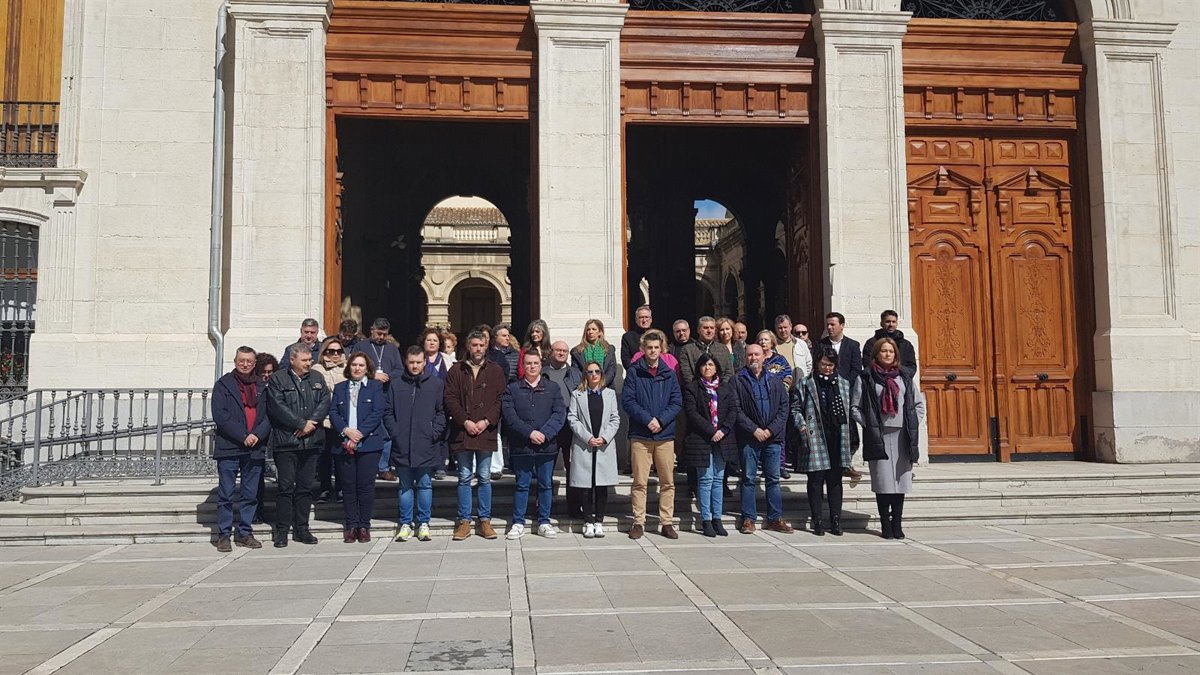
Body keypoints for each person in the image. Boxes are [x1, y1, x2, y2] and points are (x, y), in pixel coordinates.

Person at [854, 338, 922, 540]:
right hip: (879, 436)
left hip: (902, 435)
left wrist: (912, 422)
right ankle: (885, 523)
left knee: (900, 482)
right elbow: (855, 407)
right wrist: (870, 424)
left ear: (896, 355)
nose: (887, 354)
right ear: (876, 354)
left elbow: (918, 405)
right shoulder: (866, 377)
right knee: (883, 482)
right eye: (883, 351)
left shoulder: (904, 376)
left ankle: (897, 524)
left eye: (891, 351)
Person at [266, 343, 331, 547]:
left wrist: (311, 423)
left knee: (305, 488)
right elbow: (277, 406)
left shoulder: (317, 377)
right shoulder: (278, 379)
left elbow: (325, 401)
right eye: (304, 360)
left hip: (311, 442)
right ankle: (282, 531)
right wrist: (300, 424)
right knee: (285, 488)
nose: (308, 363)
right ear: (292, 360)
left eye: (310, 360)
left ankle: (302, 528)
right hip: (287, 442)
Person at [445, 330, 506, 541]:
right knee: (464, 477)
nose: (478, 349)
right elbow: (450, 398)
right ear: (468, 346)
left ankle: (484, 520)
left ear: (486, 346)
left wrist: (486, 421)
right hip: (463, 430)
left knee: (484, 477)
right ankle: (464, 521)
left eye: (481, 345)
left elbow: (501, 400)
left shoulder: (495, 370)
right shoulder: (456, 370)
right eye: (474, 345)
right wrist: (465, 421)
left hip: (485, 430)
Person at [621, 329, 683, 540]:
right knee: (640, 482)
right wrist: (648, 419)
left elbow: (676, 402)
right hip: (641, 435)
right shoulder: (634, 372)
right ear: (643, 349)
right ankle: (638, 522)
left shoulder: (669, 373)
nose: (653, 351)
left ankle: (666, 522)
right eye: (649, 348)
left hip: (665, 436)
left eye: (656, 347)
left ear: (661, 349)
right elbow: (628, 401)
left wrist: (661, 420)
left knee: (667, 482)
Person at [792, 347, 860, 536]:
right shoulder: (806, 383)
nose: (827, 368)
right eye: (823, 364)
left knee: (835, 480)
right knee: (815, 480)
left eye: (830, 365)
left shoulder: (844, 383)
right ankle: (817, 520)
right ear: (816, 364)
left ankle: (836, 519)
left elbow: (850, 410)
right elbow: (795, 408)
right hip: (815, 435)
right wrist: (802, 427)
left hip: (838, 436)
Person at [502, 351, 567, 539]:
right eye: (528, 363)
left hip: (546, 446)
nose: (532, 366)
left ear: (541, 365)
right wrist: (529, 433)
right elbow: (510, 416)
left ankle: (544, 521)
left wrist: (544, 434)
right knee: (522, 485)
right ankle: (518, 522)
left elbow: (559, 413)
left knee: (545, 484)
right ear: (523, 366)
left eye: (535, 363)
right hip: (522, 445)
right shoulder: (512, 389)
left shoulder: (552, 388)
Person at [211, 346, 270, 552]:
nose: (245, 364)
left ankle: (245, 532)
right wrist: (243, 435)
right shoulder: (223, 385)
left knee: (250, 495)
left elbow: (269, 415)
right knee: (226, 495)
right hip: (229, 447)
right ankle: (224, 535)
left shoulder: (262, 386)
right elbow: (220, 416)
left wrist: (257, 435)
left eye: (249, 361)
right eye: (241, 360)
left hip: (254, 448)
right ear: (235, 361)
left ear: (254, 364)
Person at [385, 347, 446, 542]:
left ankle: (424, 522)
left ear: (424, 362)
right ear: (406, 361)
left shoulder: (435, 384)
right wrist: (395, 431)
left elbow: (441, 412)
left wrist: (433, 432)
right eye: (411, 362)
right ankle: (405, 523)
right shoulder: (396, 384)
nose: (415, 366)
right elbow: (388, 411)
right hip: (402, 443)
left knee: (425, 484)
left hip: (426, 443)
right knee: (405, 485)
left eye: (418, 362)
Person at [329, 352, 388, 543]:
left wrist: (359, 433)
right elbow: (333, 412)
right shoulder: (340, 388)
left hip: (368, 444)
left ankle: (364, 526)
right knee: (348, 487)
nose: (357, 368)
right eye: (354, 365)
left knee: (365, 486)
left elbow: (377, 412)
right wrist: (346, 431)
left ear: (367, 368)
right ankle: (351, 525)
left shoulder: (375, 387)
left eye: (361, 365)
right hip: (344, 443)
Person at [734, 343, 792, 534]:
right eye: (750, 355)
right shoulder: (738, 380)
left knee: (773, 479)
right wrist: (754, 430)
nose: (753, 358)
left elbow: (784, 407)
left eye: (756, 354)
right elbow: (736, 409)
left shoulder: (774, 380)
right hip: (749, 438)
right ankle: (748, 518)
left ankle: (775, 518)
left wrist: (770, 430)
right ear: (745, 357)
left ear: (763, 357)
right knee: (748, 478)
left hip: (772, 438)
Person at [682, 353, 739, 537]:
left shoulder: (725, 387)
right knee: (705, 479)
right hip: (702, 439)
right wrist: (711, 431)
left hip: (723, 438)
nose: (708, 368)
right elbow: (692, 413)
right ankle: (705, 519)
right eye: (704, 365)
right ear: (699, 367)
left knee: (718, 479)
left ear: (716, 368)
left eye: (711, 365)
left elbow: (733, 410)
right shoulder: (692, 388)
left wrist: (723, 430)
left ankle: (717, 518)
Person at [567, 360, 621, 538]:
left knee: (601, 486)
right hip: (585, 445)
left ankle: (599, 521)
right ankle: (588, 521)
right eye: (590, 372)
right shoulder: (577, 394)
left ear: (601, 374)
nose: (594, 375)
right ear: (585, 375)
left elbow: (615, 418)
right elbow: (572, 418)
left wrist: (604, 437)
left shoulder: (610, 394)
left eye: (597, 371)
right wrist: (587, 437)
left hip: (604, 445)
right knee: (585, 486)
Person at [816, 312, 864, 479]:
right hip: (825, 393)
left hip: (846, 394)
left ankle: (847, 463)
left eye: (833, 324)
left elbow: (856, 369)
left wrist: (844, 385)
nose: (829, 327)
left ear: (842, 326)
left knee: (848, 430)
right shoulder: (821, 345)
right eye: (828, 324)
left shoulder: (852, 345)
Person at [545, 340, 582, 517]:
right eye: (558, 350)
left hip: (570, 425)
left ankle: (574, 508)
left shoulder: (575, 373)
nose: (561, 353)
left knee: (572, 468)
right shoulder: (542, 373)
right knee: (546, 468)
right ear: (551, 352)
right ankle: (543, 508)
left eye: (564, 351)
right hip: (548, 425)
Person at [365, 318, 404, 481]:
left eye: (384, 334)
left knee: (387, 432)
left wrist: (387, 376)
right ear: (372, 330)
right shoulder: (362, 346)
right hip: (366, 395)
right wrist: (373, 375)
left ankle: (383, 467)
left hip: (386, 395)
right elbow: (354, 367)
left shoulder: (391, 349)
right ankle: (368, 467)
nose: (381, 337)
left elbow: (400, 369)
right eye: (378, 333)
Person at [314, 338, 348, 503]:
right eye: (331, 351)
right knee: (324, 456)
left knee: (341, 456)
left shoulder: (348, 368)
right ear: (324, 352)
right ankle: (325, 488)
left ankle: (341, 488)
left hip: (342, 419)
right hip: (323, 419)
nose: (335, 354)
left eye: (339, 351)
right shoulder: (317, 369)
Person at [488, 323, 519, 479]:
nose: (507, 338)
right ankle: (494, 466)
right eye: (504, 335)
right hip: (493, 396)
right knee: (495, 431)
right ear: (495, 338)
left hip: (510, 394)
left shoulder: (516, 354)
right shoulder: (489, 354)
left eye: (508, 335)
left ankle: (512, 463)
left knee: (512, 430)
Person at [251, 352, 279, 525]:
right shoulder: (255, 388)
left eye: (270, 372)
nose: (267, 375)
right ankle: (256, 511)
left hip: (277, 434)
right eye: (263, 372)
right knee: (256, 476)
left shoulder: (277, 386)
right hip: (259, 434)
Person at [679, 316, 733, 387]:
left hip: (721, 390)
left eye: (712, 328)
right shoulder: (687, 350)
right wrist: (702, 388)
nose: (709, 331)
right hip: (697, 390)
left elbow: (729, 372)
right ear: (698, 330)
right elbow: (687, 375)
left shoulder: (723, 349)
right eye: (705, 328)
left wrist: (720, 388)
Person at [861, 310, 918, 377]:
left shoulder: (906, 345)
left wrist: (897, 375)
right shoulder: (871, 343)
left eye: (893, 322)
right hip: (877, 380)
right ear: (881, 323)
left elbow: (911, 367)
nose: (891, 325)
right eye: (888, 322)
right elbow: (868, 364)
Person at [570, 318, 618, 388]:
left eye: (594, 329)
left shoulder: (609, 349)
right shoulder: (577, 351)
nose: (590, 332)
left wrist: (602, 383)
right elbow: (576, 371)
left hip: (605, 387)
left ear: (600, 332)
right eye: (588, 329)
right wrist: (585, 384)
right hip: (584, 387)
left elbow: (611, 370)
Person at [621, 305, 654, 369]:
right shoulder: (628, 337)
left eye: (646, 317)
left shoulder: (657, 335)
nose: (644, 320)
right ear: (636, 320)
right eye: (641, 317)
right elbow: (626, 360)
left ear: (651, 319)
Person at [773, 314, 798, 382]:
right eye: (780, 328)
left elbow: (808, 364)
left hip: (800, 385)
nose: (783, 330)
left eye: (785, 327)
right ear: (775, 329)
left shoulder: (800, 344)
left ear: (791, 326)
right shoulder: (772, 346)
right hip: (781, 385)